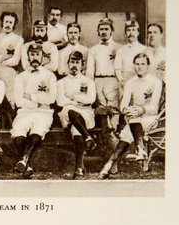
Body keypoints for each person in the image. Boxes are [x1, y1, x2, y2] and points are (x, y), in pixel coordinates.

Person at [99, 52, 163, 179]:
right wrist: (127, 110)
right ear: (134, 65)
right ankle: (139, 150)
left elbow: (154, 107)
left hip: (150, 117)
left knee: (129, 130)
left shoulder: (155, 82)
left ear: (148, 66)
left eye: (143, 64)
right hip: (135, 116)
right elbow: (123, 105)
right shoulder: (130, 82)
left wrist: (140, 110)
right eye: (137, 64)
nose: (139, 67)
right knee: (131, 126)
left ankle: (110, 163)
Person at [12, 43, 57, 177]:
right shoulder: (21, 77)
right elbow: (19, 101)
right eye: (32, 54)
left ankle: (24, 160)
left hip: (44, 113)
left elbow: (51, 99)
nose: (35, 57)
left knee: (37, 131)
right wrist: (37, 103)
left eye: (38, 54)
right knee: (18, 132)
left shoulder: (49, 76)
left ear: (43, 57)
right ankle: (28, 165)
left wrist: (31, 97)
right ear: (28, 57)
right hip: (24, 112)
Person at [56, 50, 97, 178]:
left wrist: (72, 97)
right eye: (72, 62)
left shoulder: (88, 81)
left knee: (76, 129)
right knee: (70, 111)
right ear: (68, 64)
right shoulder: (61, 82)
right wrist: (79, 99)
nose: (74, 65)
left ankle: (79, 167)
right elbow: (60, 101)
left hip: (86, 113)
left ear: (82, 65)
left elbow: (91, 99)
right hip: (67, 115)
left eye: (77, 62)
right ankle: (88, 137)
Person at [86, 18, 121, 140]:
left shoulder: (119, 48)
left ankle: (114, 137)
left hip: (113, 80)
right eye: (101, 29)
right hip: (98, 80)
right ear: (98, 31)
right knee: (101, 109)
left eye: (107, 29)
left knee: (114, 109)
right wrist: (91, 85)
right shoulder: (93, 50)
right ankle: (106, 139)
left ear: (112, 31)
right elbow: (90, 71)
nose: (104, 31)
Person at [0, 11, 24, 120]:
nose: (8, 24)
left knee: (10, 97)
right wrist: (3, 58)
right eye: (6, 21)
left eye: (11, 22)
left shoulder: (18, 39)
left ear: (14, 24)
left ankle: (10, 119)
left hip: (9, 71)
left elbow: (15, 60)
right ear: (2, 22)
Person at [114, 21, 146, 89]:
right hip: (125, 82)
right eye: (128, 30)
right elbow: (117, 69)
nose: (131, 33)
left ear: (138, 32)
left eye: (133, 30)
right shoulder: (121, 50)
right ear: (125, 33)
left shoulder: (145, 49)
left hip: (141, 82)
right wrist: (122, 81)